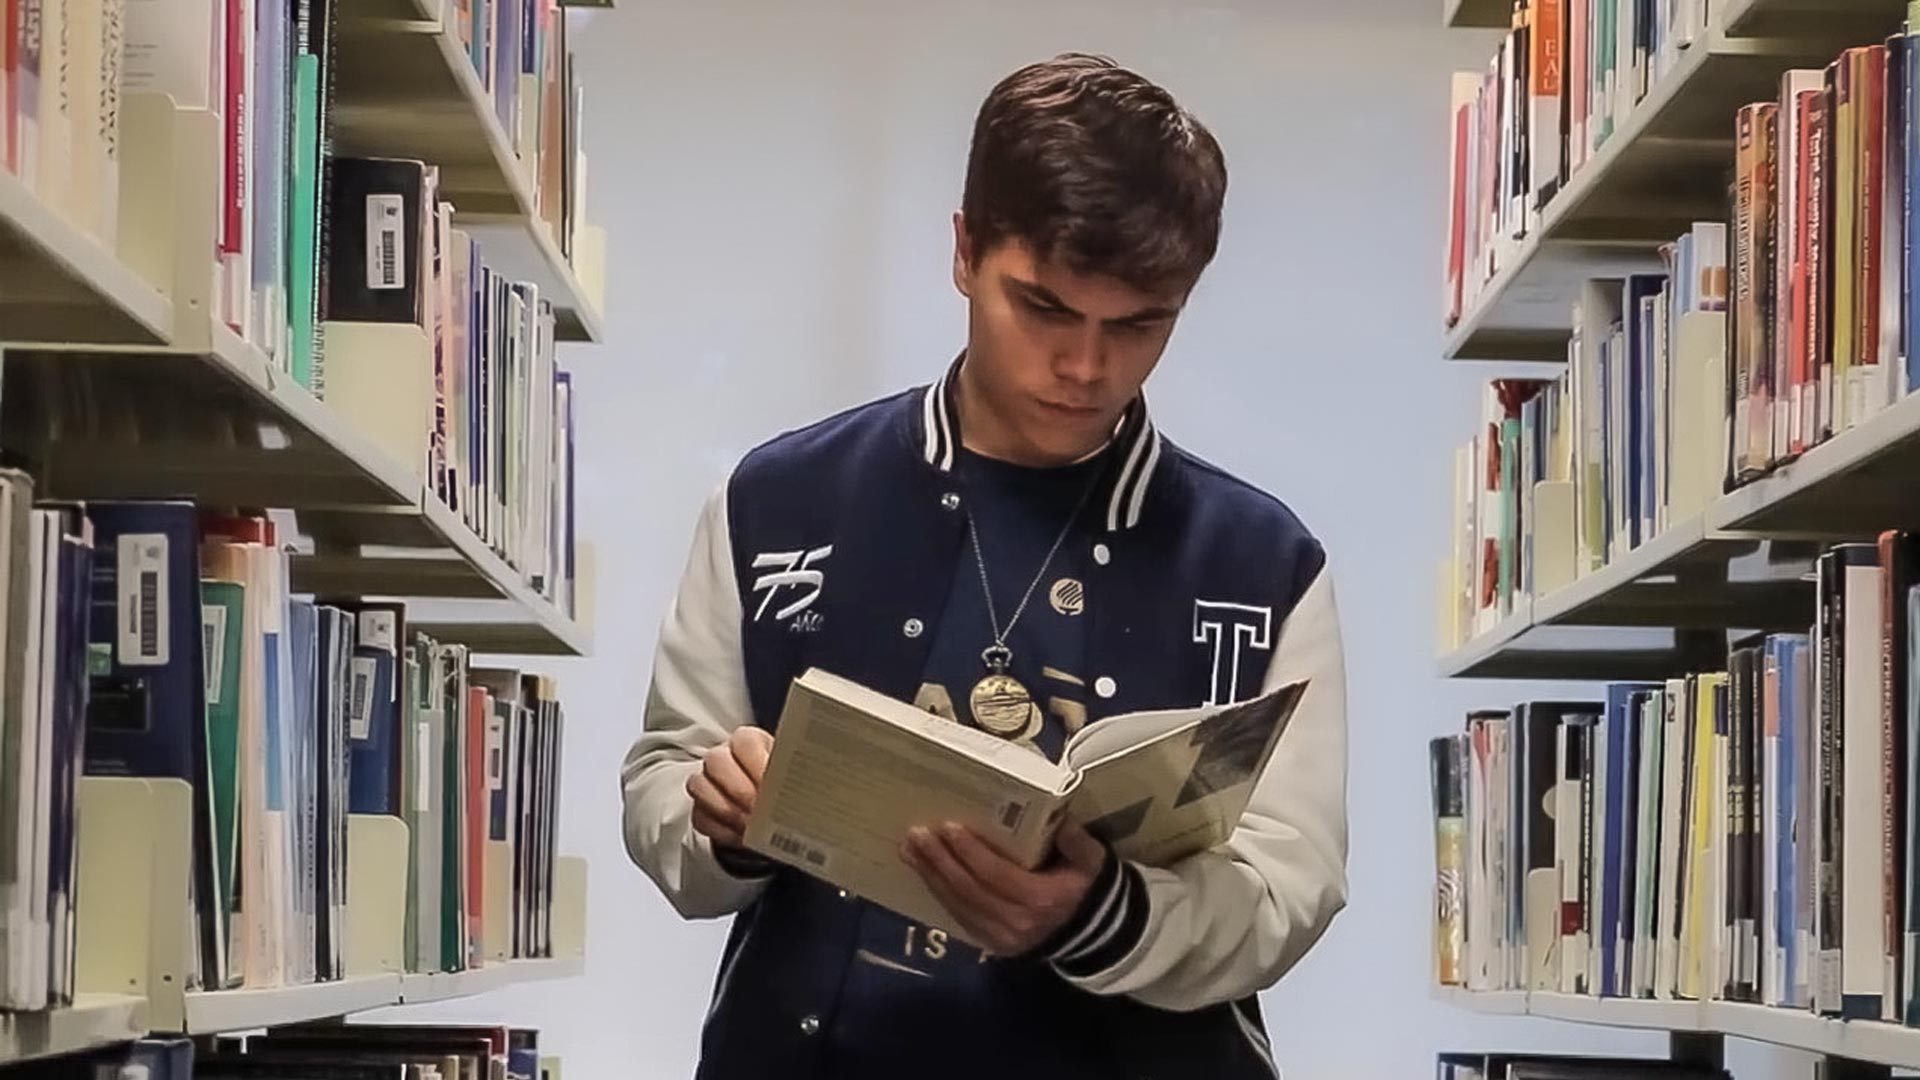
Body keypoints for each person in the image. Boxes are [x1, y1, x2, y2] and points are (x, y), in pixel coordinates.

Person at [620, 51, 1349, 1080]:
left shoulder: (1266, 563)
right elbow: (662, 787)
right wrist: (722, 815)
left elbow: (1291, 884)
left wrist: (1102, 914)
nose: (1087, 367)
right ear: (964, 251)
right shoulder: (772, 502)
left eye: (1140, 325)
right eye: (1045, 308)